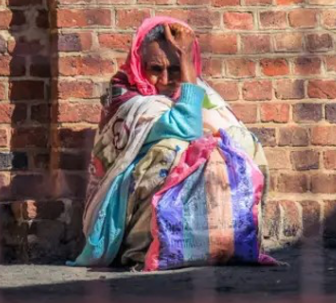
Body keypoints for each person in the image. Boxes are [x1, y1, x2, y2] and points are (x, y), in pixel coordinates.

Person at [69, 16, 271, 271]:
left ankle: (228, 241)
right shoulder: (128, 99)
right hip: (129, 211)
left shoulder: (199, 92)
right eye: (155, 69)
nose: (165, 79)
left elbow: (239, 140)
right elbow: (187, 127)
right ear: (139, 65)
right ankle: (145, 248)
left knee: (241, 144)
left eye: (175, 69)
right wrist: (185, 62)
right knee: (171, 149)